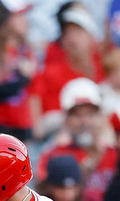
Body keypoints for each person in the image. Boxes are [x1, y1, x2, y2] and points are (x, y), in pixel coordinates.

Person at [37, 78, 116, 201]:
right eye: (77, 115)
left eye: (90, 115)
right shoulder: (54, 153)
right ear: (66, 118)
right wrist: (87, 166)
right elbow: (45, 196)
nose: (85, 121)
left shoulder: (114, 152)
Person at [28, 3, 104, 137]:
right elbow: (33, 100)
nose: (72, 38)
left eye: (78, 30)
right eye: (67, 32)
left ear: (91, 36)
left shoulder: (105, 66)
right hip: (57, 137)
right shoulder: (48, 73)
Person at [0, 0, 35, 140]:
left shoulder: (26, 49)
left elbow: (33, 91)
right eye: (19, 16)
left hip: (22, 123)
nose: (25, 20)